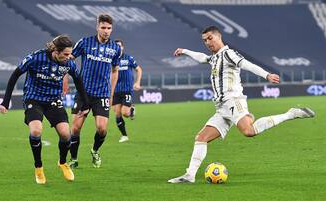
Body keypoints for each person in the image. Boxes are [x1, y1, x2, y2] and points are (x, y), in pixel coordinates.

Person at [167, 26, 315, 183]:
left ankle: (290, 114)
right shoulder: (214, 58)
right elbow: (202, 57)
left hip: (233, 100)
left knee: (249, 131)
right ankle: (190, 175)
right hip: (221, 107)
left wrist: (266, 75)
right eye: (204, 40)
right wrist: (185, 50)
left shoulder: (228, 54)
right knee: (201, 138)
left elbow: (246, 64)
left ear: (219, 37)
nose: (208, 42)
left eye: (210, 38)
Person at [0, 35, 90, 184]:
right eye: (66, 54)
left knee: (66, 134)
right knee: (36, 131)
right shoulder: (36, 58)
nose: (69, 57)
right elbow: (15, 74)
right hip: (33, 99)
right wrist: (6, 101)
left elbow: (78, 80)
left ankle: (62, 162)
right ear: (56, 51)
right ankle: (38, 167)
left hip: (53, 100)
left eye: (70, 54)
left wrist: (85, 103)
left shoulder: (68, 64)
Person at [67, 14, 121, 169]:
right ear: (97, 27)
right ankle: (74, 158)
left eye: (109, 28)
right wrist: (65, 78)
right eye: (103, 27)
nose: (106, 31)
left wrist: (111, 94)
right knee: (76, 128)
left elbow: (115, 71)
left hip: (102, 94)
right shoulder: (85, 42)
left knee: (102, 129)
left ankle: (95, 150)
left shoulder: (115, 48)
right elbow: (69, 58)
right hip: (83, 93)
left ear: (112, 29)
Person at [112, 39, 142, 143]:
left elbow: (139, 69)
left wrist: (137, 82)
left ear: (123, 47)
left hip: (126, 90)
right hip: (115, 91)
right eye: (116, 46)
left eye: (120, 46)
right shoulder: (110, 60)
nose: (118, 48)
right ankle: (124, 135)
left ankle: (131, 111)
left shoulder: (128, 58)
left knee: (125, 113)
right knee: (117, 114)